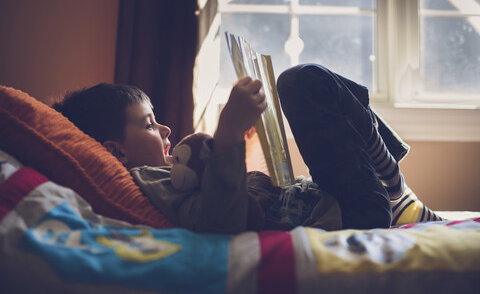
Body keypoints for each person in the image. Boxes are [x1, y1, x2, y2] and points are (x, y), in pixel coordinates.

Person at [52, 64, 442, 234]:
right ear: (116, 151)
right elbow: (219, 222)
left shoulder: (169, 172)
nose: (166, 127)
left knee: (307, 81)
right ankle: (394, 190)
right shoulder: (146, 183)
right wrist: (228, 134)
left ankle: (395, 191)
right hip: (353, 214)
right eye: (149, 123)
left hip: (333, 200)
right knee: (302, 82)